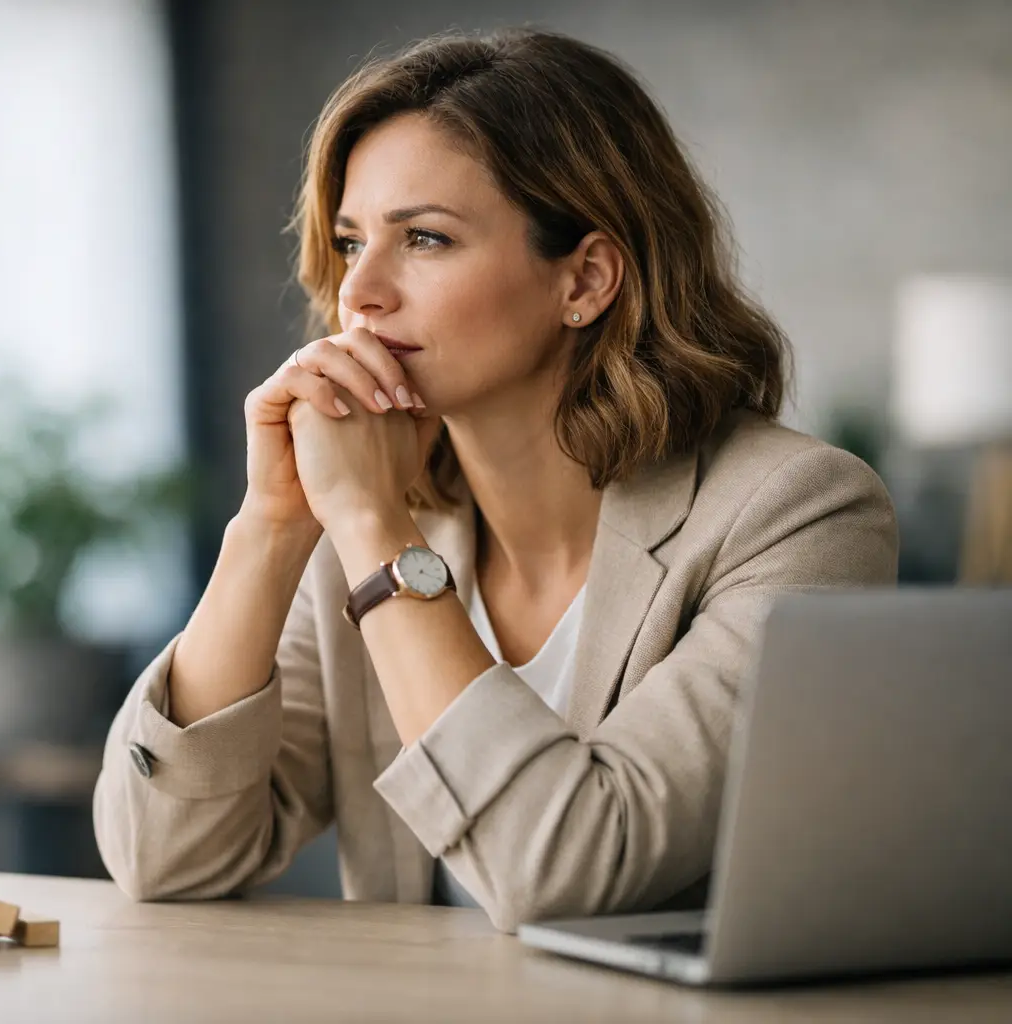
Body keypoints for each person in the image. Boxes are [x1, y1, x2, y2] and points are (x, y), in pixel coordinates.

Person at [92, 28, 898, 932]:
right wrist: (272, 526)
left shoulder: (799, 513)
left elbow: (572, 868)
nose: (360, 292)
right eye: (352, 241)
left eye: (425, 239)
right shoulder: (365, 518)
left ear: (585, 279)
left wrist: (371, 529)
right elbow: (162, 856)